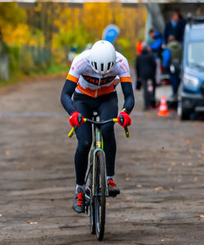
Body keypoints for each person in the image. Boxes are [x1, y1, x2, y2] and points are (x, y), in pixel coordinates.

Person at [60, 40, 134, 212]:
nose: (101, 75)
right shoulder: (80, 61)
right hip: (82, 99)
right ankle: (79, 189)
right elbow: (65, 94)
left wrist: (125, 112)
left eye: (107, 72)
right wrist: (73, 113)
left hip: (107, 98)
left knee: (108, 130)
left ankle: (109, 178)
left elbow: (129, 96)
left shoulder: (121, 62)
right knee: (84, 142)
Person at [134, 45, 158, 110]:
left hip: (143, 76)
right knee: (151, 88)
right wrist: (154, 72)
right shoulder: (150, 56)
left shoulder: (139, 57)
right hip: (150, 75)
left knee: (145, 90)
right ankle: (152, 103)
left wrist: (138, 76)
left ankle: (146, 105)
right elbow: (154, 65)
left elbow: (137, 67)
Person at [165, 34, 182, 99]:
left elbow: (166, 57)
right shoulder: (179, 46)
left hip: (171, 66)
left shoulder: (168, 47)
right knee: (178, 79)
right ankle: (177, 93)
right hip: (179, 65)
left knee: (173, 80)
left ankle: (174, 93)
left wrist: (165, 66)